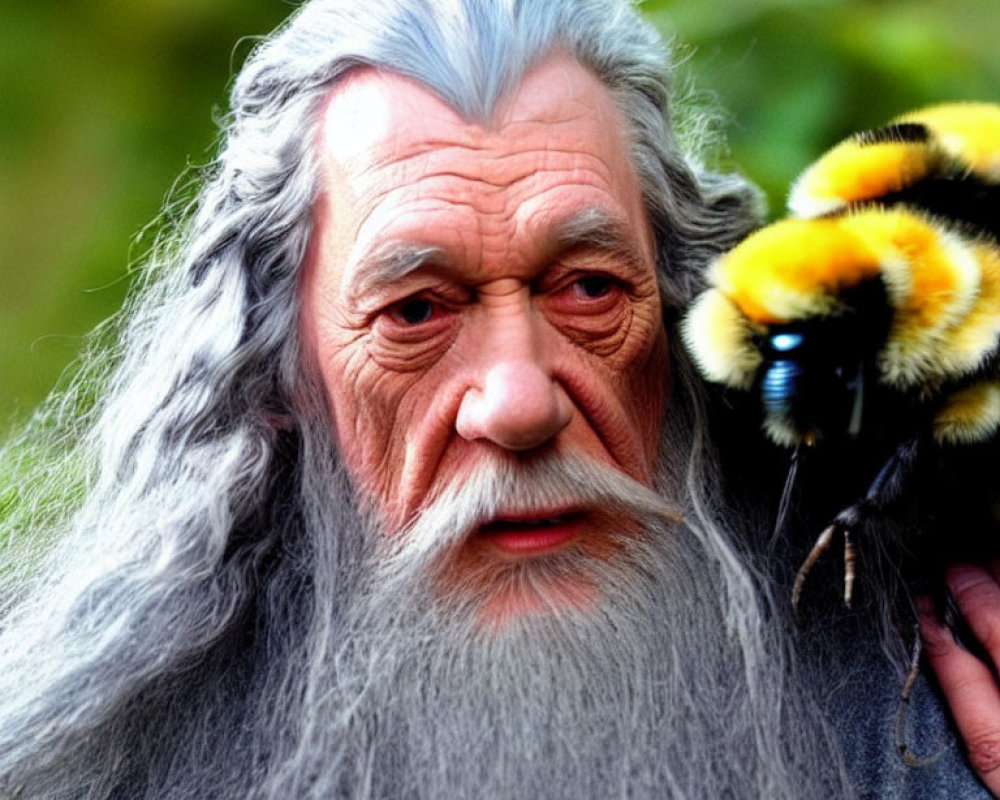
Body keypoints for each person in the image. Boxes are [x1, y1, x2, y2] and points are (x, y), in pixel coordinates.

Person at [0, 0, 993, 797]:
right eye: (416, 310)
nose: (518, 405)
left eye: (589, 289)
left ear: (680, 312)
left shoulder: (937, 670)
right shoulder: (92, 763)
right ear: (276, 379)